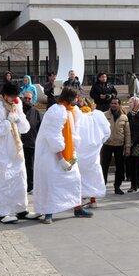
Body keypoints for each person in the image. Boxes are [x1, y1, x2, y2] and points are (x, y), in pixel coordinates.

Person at [0, 82, 39, 224]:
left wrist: (18, 119)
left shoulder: (16, 103)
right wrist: (8, 122)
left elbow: (25, 128)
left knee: (19, 178)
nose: (13, 99)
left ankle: (21, 209)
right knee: (1, 180)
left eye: (15, 96)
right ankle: (1, 212)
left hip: (15, 147)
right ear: (3, 95)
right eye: (11, 96)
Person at [33, 87, 90, 224]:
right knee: (52, 182)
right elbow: (53, 136)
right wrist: (61, 158)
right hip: (52, 155)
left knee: (75, 179)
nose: (77, 100)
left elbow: (73, 133)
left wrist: (73, 152)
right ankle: (48, 212)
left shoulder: (70, 111)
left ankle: (77, 207)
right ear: (70, 98)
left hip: (68, 153)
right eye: (75, 98)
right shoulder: (56, 111)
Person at [78, 98, 111, 207]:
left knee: (81, 175)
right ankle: (93, 199)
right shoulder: (98, 115)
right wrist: (99, 142)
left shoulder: (77, 116)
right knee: (93, 174)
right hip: (94, 150)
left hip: (80, 150)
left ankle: (84, 197)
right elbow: (107, 132)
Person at [102, 97, 131, 194]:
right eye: (112, 103)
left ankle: (117, 186)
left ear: (119, 105)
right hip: (107, 144)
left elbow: (127, 133)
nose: (113, 105)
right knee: (104, 166)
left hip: (119, 145)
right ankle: (102, 186)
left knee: (119, 167)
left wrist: (127, 147)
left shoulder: (124, 117)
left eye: (115, 103)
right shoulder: (104, 115)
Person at [21, 90, 43, 193]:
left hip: (31, 144)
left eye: (29, 98)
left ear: (32, 99)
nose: (27, 100)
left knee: (30, 167)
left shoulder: (36, 112)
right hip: (19, 144)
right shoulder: (18, 111)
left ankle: (31, 186)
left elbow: (40, 129)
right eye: (25, 98)